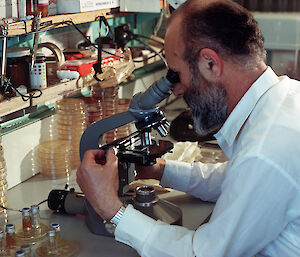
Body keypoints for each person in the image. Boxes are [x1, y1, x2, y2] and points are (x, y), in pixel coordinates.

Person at [76, 0, 300, 256]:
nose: (178, 89)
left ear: (210, 64)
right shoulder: (286, 99)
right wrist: (158, 170)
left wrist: (111, 210)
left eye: (176, 74)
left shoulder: (265, 151)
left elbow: (201, 253)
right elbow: (237, 180)